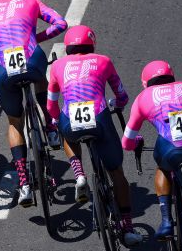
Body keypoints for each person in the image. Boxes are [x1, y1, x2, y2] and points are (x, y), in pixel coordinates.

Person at [0, 0, 67, 207]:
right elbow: (60, 24)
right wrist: (35, 37)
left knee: (15, 122)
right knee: (40, 77)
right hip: (32, 60)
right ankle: (50, 125)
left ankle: (24, 183)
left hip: (3, 70)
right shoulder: (29, 0)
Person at [46, 25, 143, 246]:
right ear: (92, 43)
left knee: (67, 136)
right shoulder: (103, 61)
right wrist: (115, 104)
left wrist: (55, 120)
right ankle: (127, 228)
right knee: (116, 172)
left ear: (69, 46)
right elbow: (122, 96)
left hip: (70, 119)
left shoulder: (58, 66)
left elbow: (51, 104)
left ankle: (79, 175)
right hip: (99, 117)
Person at [122, 60, 182, 251]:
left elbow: (126, 143)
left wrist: (137, 143)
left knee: (163, 169)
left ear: (146, 82)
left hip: (170, 149)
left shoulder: (143, 97)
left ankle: (167, 221)